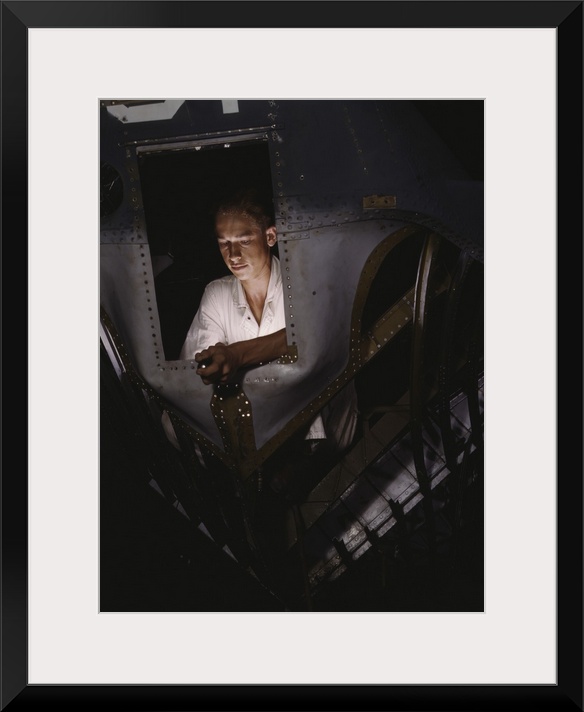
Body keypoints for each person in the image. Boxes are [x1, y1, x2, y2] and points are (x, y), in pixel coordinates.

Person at [178, 188, 359, 494]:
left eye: (244, 241)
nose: (233, 255)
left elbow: (310, 337)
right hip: (254, 438)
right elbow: (199, 364)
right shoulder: (216, 294)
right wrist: (215, 361)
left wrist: (236, 356)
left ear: (270, 236)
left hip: (320, 435)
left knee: (303, 386)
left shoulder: (305, 281)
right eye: (224, 243)